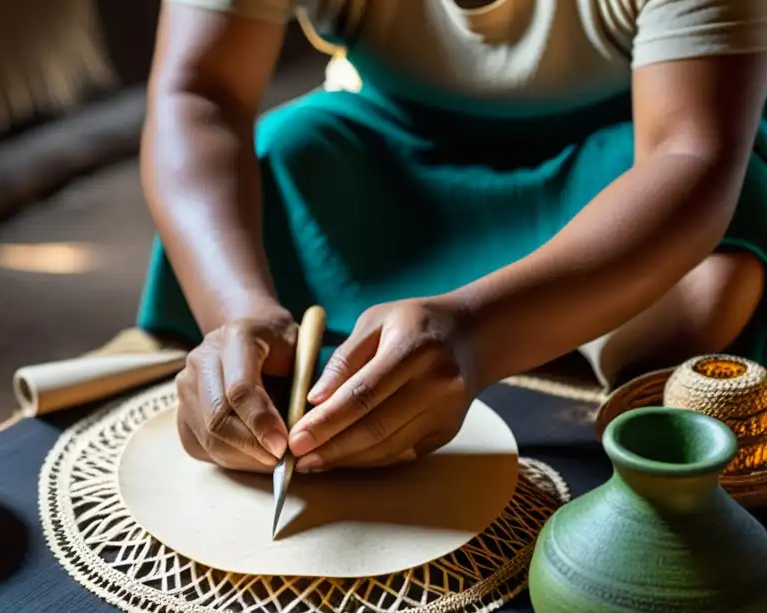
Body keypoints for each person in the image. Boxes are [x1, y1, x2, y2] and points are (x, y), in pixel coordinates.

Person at [135, 0, 767, 475]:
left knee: (713, 283)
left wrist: (476, 334)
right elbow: (201, 92)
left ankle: (445, 341)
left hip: (626, 158)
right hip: (390, 156)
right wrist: (238, 308)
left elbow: (690, 150)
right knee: (280, 162)